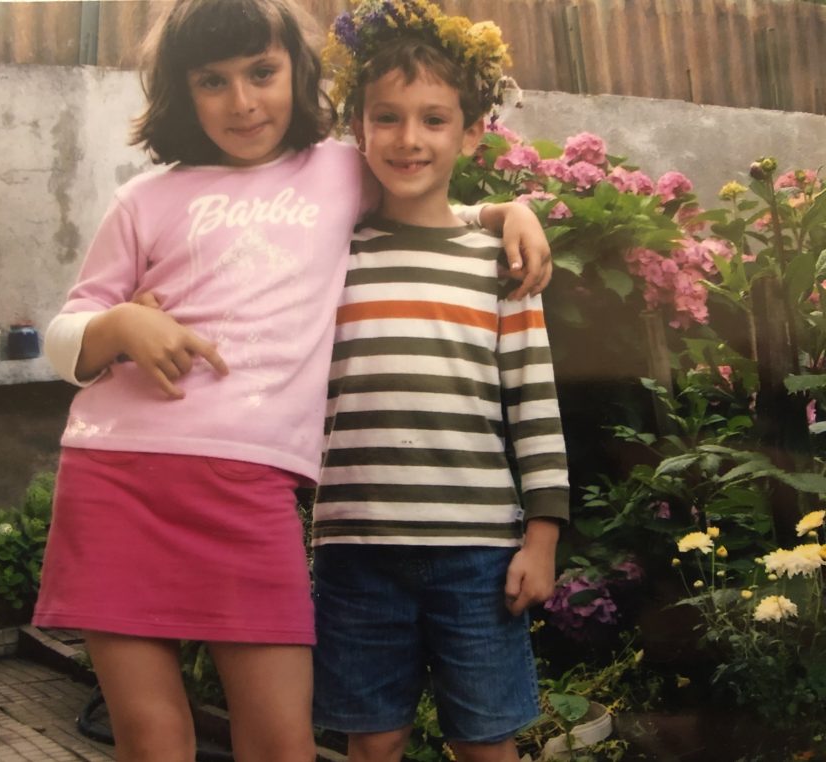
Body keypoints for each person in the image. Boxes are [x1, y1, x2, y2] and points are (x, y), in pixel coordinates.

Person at [32, 0, 552, 760]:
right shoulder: (141, 201)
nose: (242, 102)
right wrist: (119, 328)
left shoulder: (340, 170)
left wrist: (511, 210)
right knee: (150, 737)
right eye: (213, 80)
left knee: (282, 742)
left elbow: (427, 199)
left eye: (262, 72)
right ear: (183, 90)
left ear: (298, 71)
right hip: (117, 476)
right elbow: (64, 335)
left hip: (251, 490)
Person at [311, 4, 570, 762]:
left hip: (480, 552)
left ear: (473, 130)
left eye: (433, 119)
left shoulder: (500, 262)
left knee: (487, 743)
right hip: (356, 547)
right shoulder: (331, 254)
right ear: (356, 127)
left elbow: (534, 404)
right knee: (373, 740)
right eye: (386, 118)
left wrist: (543, 536)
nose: (409, 139)